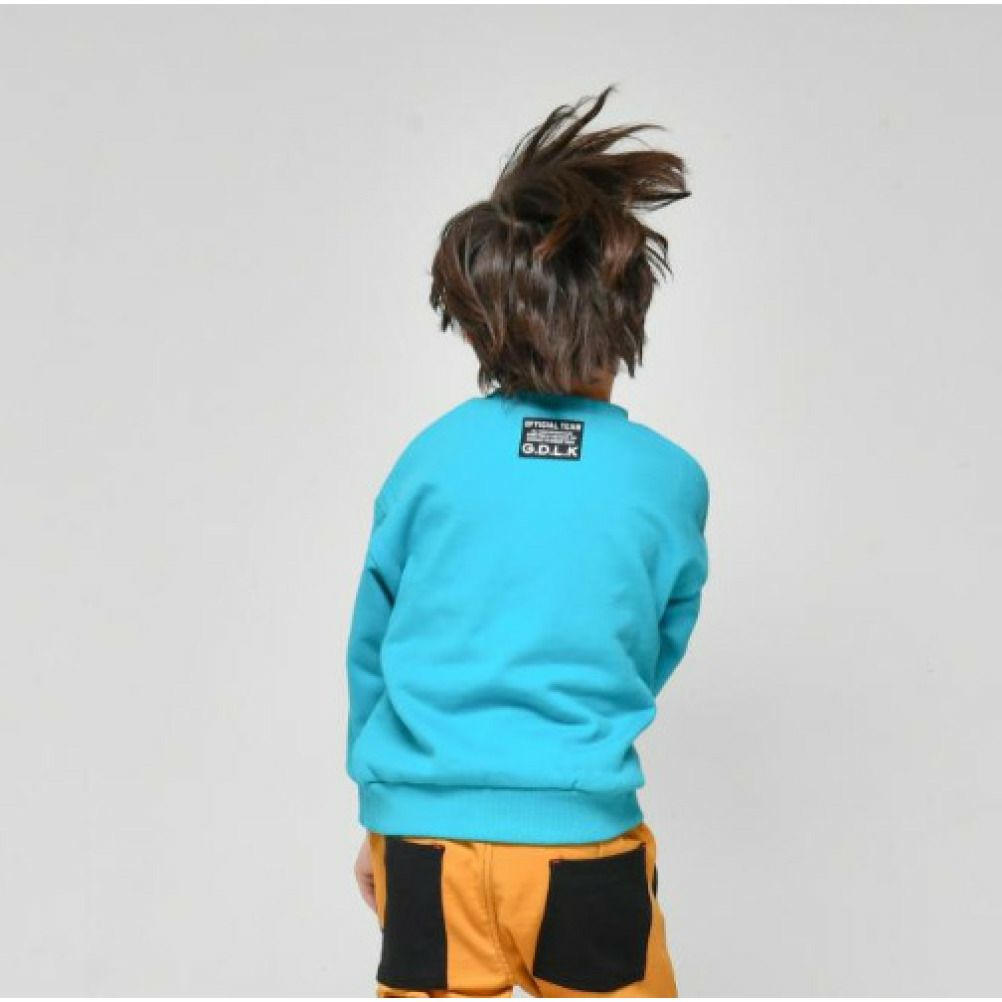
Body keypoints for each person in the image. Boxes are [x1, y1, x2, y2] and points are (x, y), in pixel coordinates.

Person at [344, 83, 710, 998]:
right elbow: (650, 643)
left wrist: (381, 813)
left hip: (424, 845)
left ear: (479, 316)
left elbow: (375, 647)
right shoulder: (668, 480)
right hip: (579, 843)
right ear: (625, 309)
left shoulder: (429, 461)